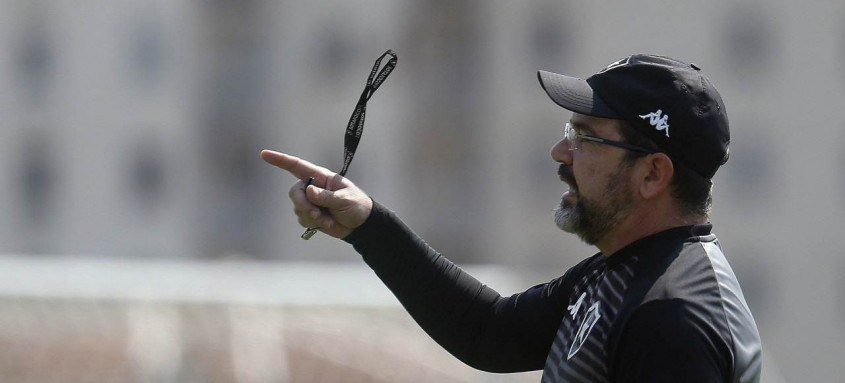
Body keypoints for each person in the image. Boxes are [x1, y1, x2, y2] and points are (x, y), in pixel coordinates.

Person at [261, 54, 762, 382]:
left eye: (586, 137)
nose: (560, 151)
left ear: (653, 174)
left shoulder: (670, 315)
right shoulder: (623, 274)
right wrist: (366, 224)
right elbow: (490, 333)